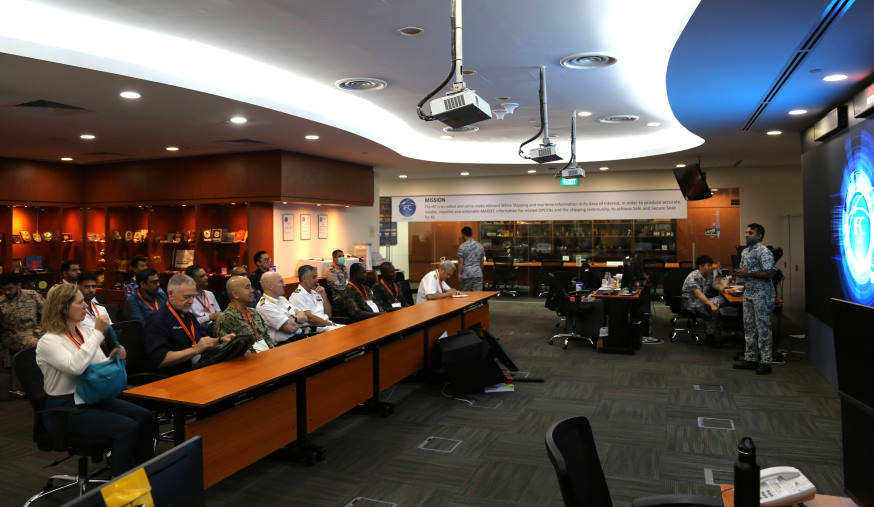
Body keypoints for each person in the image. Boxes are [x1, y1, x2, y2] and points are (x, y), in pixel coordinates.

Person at [34, 283, 153, 476]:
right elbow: (76, 367)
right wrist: (98, 333)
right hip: (64, 408)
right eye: (80, 303)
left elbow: (96, 366)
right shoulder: (49, 341)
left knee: (145, 417)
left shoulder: (84, 331)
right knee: (127, 428)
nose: (85, 306)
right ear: (63, 307)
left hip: (91, 397)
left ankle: (146, 473)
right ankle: (122, 491)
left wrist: (114, 356)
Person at [143, 274, 232, 376]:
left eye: (193, 296)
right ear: (171, 294)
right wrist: (195, 350)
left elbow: (202, 342)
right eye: (186, 297)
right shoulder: (158, 320)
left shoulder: (189, 316)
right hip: (170, 378)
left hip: (195, 372)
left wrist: (220, 340)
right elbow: (160, 360)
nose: (191, 301)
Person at [733, 223, 776, 375]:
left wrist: (748, 272)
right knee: (749, 327)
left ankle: (765, 361)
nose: (746, 235)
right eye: (746, 232)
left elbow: (769, 273)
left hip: (762, 295)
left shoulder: (764, 252)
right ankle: (750, 358)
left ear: (759, 236)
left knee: (763, 329)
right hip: (748, 293)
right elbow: (744, 272)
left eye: (750, 233)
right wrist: (739, 275)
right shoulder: (745, 252)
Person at [214, 276, 274, 353]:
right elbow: (231, 351)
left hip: (265, 355)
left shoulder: (253, 312)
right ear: (235, 294)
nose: (252, 290)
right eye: (247, 287)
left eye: (251, 286)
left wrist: (272, 352)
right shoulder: (226, 318)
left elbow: (266, 336)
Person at [681, 255, 730, 347]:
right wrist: (711, 305)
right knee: (713, 308)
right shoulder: (693, 277)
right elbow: (699, 294)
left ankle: (711, 335)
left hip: (700, 302)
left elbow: (715, 285)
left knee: (723, 300)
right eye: (708, 265)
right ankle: (711, 335)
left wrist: (724, 289)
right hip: (690, 302)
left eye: (711, 265)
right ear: (701, 266)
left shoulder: (708, 276)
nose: (710, 268)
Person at [256, 271, 310, 344]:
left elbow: (305, 317)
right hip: (285, 344)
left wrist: (294, 320)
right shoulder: (265, 306)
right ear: (270, 286)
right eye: (280, 282)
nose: (284, 285)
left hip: (299, 337)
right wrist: (298, 318)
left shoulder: (281, 299)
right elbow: (290, 329)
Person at [0, 272, 45, 354]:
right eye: (3, 289)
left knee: (57, 341)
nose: (7, 292)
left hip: (36, 331)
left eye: (10, 289)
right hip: (14, 336)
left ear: (18, 285)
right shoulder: (1, 302)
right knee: (41, 345)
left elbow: (46, 312)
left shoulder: (32, 295)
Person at [289, 265, 343, 332]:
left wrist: (323, 294)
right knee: (345, 332)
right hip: (316, 328)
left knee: (351, 330)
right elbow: (311, 319)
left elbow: (329, 314)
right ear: (304, 278)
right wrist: (330, 324)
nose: (317, 280)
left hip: (327, 324)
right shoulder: (297, 296)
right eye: (314, 277)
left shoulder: (315, 292)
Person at [185, 264, 221, 332]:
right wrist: (209, 317)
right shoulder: (186, 298)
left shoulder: (210, 294)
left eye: (206, 275)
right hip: (198, 333)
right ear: (192, 280)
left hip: (215, 330)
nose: (206, 278)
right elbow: (189, 323)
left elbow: (219, 313)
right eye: (202, 276)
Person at [457, 226, 485, 291]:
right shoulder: (480, 245)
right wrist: (479, 270)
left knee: (466, 295)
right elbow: (482, 261)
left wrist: (459, 273)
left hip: (467, 274)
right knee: (478, 296)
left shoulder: (462, 247)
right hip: (478, 273)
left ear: (463, 234)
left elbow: (460, 262)